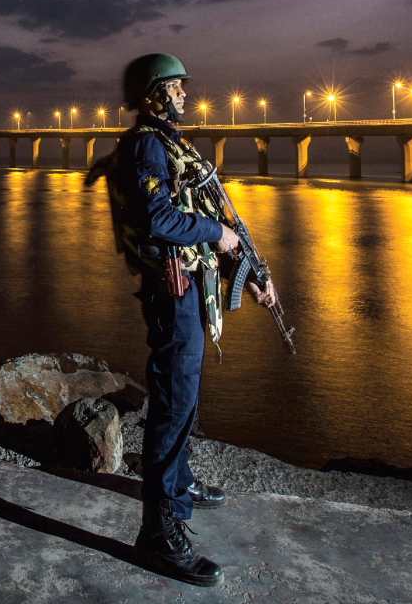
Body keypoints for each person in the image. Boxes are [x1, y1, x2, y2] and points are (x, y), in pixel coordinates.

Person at [89, 52, 278, 586]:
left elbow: (208, 211)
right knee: (173, 399)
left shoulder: (174, 143)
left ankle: (181, 480)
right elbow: (160, 217)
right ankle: (159, 531)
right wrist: (217, 236)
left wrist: (252, 272)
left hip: (190, 284)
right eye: (176, 87)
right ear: (154, 94)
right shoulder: (149, 144)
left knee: (186, 393)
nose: (185, 95)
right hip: (172, 291)